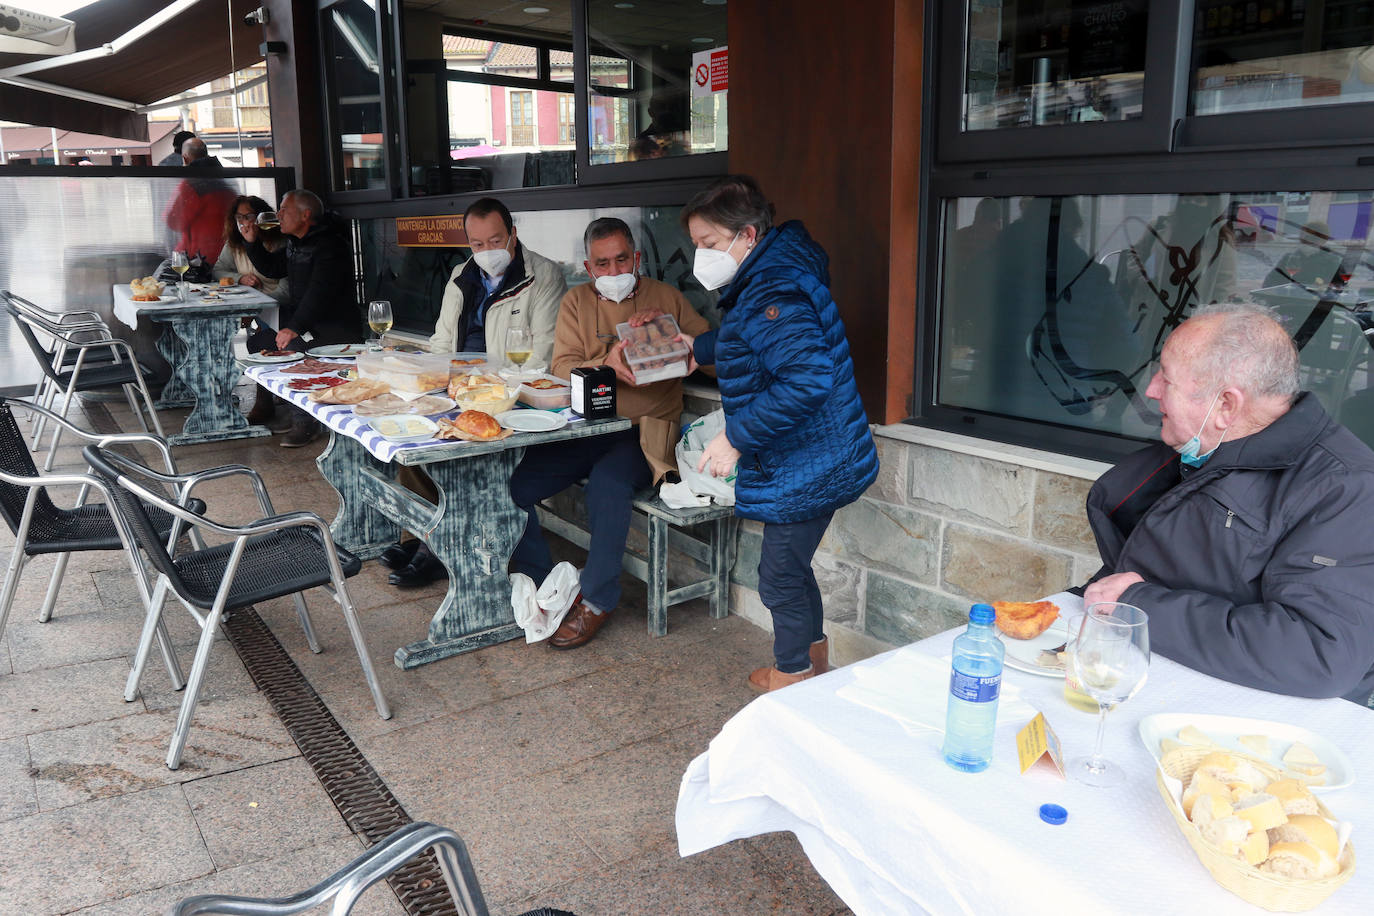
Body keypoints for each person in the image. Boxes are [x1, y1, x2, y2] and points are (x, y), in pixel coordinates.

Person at [1081, 303, 1374, 704]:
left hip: (1270, 722)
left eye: (1166, 379)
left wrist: (1138, 605)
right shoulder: (1205, 448)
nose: (1150, 390)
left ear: (1226, 406)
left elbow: (1320, 653)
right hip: (1173, 675)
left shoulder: (1346, 488)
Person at [676, 175, 879, 691]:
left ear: (746, 235)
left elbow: (808, 378)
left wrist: (735, 437)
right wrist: (694, 349)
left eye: (709, 244)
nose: (701, 256)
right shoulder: (770, 272)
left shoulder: (773, 287)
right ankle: (813, 666)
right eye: (696, 244)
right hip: (816, 451)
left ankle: (791, 678)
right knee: (792, 568)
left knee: (779, 574)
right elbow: (750, 332)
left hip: (811, 456)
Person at [505, 217, 710, 647]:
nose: (614, 272)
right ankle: (547, 586)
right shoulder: (577, 301)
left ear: (636, 258)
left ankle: (598, 600)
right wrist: (605, 364)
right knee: (516, 484)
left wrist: (668, 334)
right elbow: (561, 366)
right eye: (604, 263)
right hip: (588, 427)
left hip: (647, 430)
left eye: (622, 260)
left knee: (608, 485)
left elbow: (713, 357)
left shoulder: (665, 297)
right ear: (588, 266)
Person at [384, 198, 567, 586]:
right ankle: (418, 534)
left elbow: (541, 357)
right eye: (478, 244)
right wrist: (432, 380)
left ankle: (432, 549)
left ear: (513, 235)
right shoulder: (459, 276)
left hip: (508, 394)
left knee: (448, 450)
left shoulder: (543, 276)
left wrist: (488, 386)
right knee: (412, 435)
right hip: (458, 387)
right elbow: (441, 342)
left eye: (496, 240)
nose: (487, 251)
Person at [244, 188, 362, 447]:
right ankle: (268, 407)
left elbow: (321, 291)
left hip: (335, 327)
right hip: (310, 323)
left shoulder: (330, 245)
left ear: (305, 215)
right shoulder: (297, 242)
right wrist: (252, 243)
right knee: (258, 341)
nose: (278, 215)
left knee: (292, 348)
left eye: (284, 210)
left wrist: (294, 327)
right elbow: (273, 268)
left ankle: (306, 421)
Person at [219, 195, 290, 426]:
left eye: (249, 216)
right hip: (252, 310)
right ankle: (222, 396)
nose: (245, 223)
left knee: (258, 339)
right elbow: (217, 270)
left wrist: (258, 306)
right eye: (239, 217)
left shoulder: (279, 243)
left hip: (281, 309)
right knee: (229, 337)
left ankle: (265, 400)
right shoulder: (235, 244)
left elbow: (287, 292)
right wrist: (239, 278)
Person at [164, 137, 236, 271]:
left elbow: (172, 221)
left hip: (200, 260)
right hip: (228, 257)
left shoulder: (191, 185)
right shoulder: (228, 180)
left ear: (184, 159)